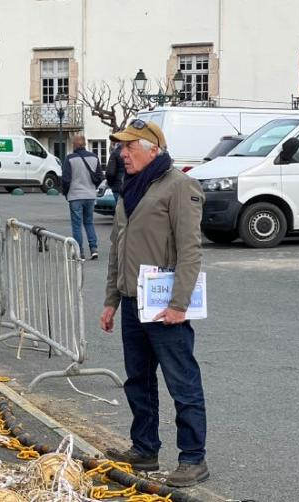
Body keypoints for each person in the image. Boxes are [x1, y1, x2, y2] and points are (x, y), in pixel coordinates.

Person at [100, 119, 208, 488]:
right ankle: (144, 449)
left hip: (165, 307)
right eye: (121, 147)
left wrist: (179, 305)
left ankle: (193, 458)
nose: (122, 153)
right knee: (138, 381)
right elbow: (118, 247)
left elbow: (191, 251)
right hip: (133, 303)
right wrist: (111, 300)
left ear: (153, 149)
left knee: (182, 383)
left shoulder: (180, 186)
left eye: (130, 147)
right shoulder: (129, 188)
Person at [61, 135, 101, 260]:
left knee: (77, 224)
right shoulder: (94, 157)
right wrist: (92, 188)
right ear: (84, 144)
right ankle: (93, 248)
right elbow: (99, 176)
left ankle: (79, 252)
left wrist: (66, 193)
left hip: (75, 195)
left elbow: (66, 179)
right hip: (90, 195)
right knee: (89, 222)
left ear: (74, 145)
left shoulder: (69, 158)